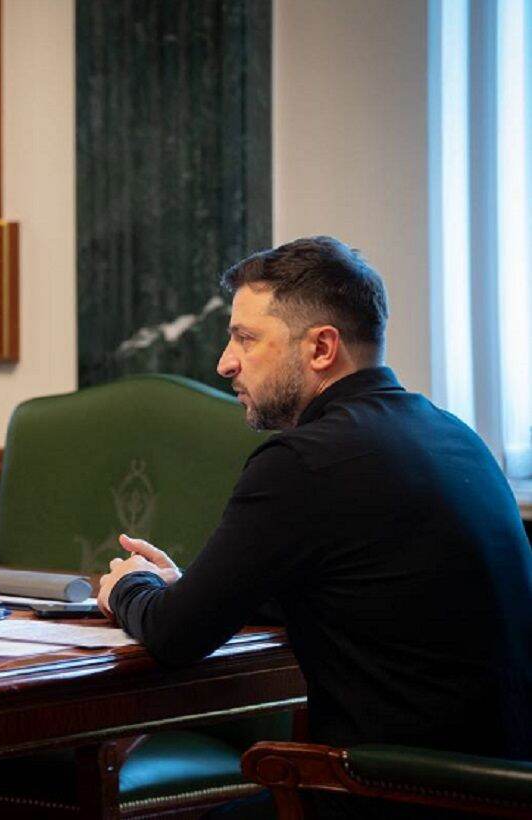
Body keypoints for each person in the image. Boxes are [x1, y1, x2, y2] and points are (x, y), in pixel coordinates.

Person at [97, 236, 532, 767]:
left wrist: (129, 586)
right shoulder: (452, 436)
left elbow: (173, 637)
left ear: (321, 348)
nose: (225, 363)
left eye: (245, 339)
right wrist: (187, 588)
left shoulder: (304, 461)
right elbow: (361, 594)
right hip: (491, 791)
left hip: (387, 791)